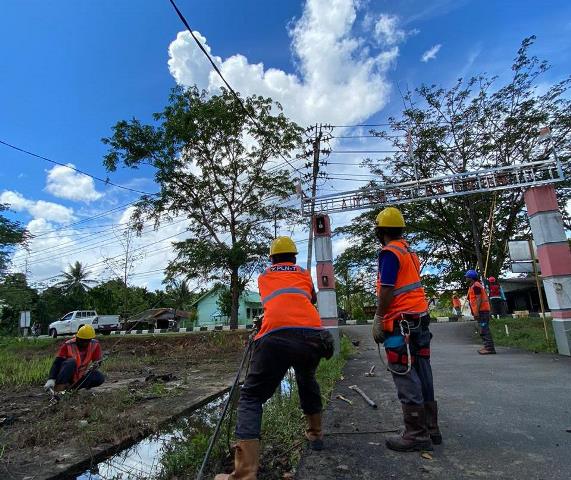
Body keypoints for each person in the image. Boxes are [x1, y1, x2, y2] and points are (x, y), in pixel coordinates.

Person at [215, 236, 333, 480]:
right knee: (306, 377)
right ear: (294, 257)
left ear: (272, 258)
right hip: (312, 336)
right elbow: (306, 300)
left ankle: (245, 473)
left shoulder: (264, 276)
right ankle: (316, 434)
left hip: (275, 336)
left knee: (251, 396)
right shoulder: (302, 273)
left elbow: (274, 302)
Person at [371, 207, 441, 453]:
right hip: (419, 319)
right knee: (423, 370)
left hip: (401, 324)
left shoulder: (389, 253)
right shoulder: (409, 251)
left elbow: (388, 288)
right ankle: (431, 428)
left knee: (404, 371)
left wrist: (379, 316)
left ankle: (416, 433)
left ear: (380, 231)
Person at [43, 324, 105, 393]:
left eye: (86, 341)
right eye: (82, 340)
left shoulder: (95, 345)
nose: (84, 343)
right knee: (71, 362)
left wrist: (96, 365)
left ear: (90, 340)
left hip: (80, 376)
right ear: (77, 337)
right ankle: (59, 388)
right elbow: (57, 363)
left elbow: (97, 361)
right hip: (67, 375)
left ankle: (72, 388)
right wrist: (51, 379)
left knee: (99, 377)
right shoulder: (68, 345)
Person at [465, 270, 496, 354]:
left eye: (467, 277)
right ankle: (487, 346)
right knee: (482, 329)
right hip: (481, 311)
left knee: (484, 329)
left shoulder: (476, 286)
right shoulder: (474, 285)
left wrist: (477, 312)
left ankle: (489, 348)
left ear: (471, 278)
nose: (466, 278)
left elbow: (479, 299)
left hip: (482, 311)